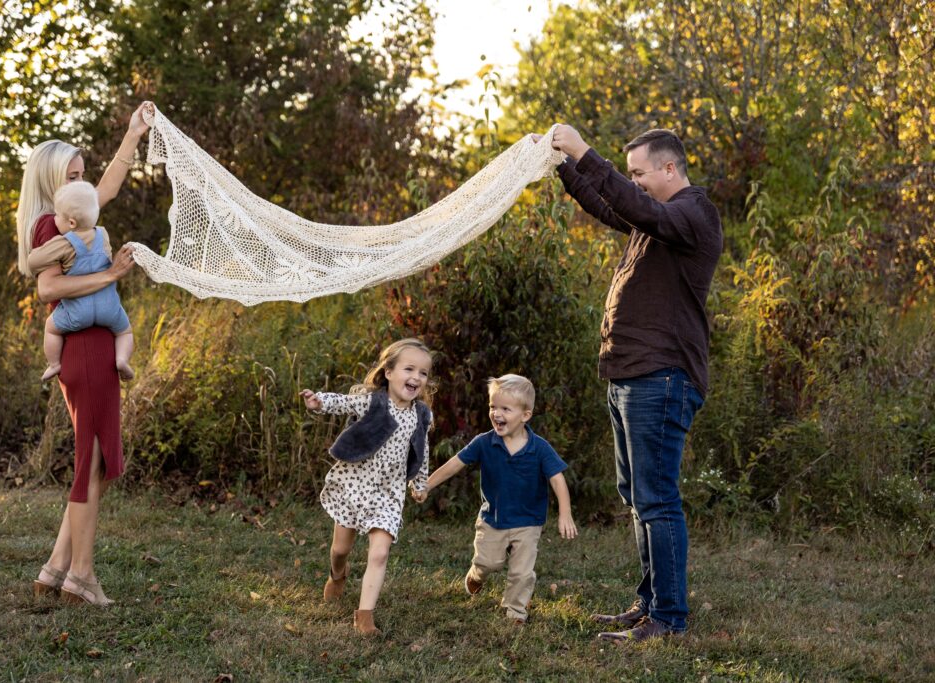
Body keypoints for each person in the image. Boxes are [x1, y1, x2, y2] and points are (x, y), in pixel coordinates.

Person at [537, 125, 722, 641]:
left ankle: (668, 619)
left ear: (670, 168)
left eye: (640, 172)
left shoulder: (693, 213)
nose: (634, 181)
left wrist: (585, 151)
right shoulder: (655, 221)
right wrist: (563, 166)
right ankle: (649, 605)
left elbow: (635, 205)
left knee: (656, 499)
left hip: (662, 377)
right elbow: (610, 206)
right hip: (630, 375)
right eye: (631, 174)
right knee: (638, 497)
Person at [17, 101, 154, 607]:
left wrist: (133, 134)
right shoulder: (50, 227)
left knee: (93, 462)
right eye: (73, 177)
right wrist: (111, 276)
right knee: (89, 463)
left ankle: (56, 569)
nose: (84, 183)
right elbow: (48, 289)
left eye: (82, 174)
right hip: (85, 349)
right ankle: (82, 574)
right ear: (53, 183)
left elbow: (109, 187)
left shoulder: (75, 216)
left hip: (91, 345)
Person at [299, 338, 433, 637]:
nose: (416, 377)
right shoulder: (372, 401)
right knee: (340, 549)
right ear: (389, 372)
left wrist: (420, 482)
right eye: (409, 369)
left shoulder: (422, 414)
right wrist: (319, 402)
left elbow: (422, 449)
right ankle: (338, 573)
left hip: (388, 493)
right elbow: (342, 402)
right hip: (354, 484)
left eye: (423, 373)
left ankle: (364, 616)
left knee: (380, 553)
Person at [421, 374, 577, 624]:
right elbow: (455, 464)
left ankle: (515, 611)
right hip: (493, 518)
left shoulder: (539, 448)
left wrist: (565, 514)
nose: (496, 413)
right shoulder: (484, 443)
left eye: (506, 409)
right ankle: (476, 574)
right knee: (489, 562)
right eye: (493, 406)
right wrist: (427, 484)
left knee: (522, 572)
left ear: (525, 415)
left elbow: (558, 480)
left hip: (528, 521)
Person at [27, 181, 135, 383]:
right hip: (108, 307)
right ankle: (122, 360)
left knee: (51, 328)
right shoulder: (103, 235)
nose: (54, 220)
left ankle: (53, 364)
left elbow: (34, 261)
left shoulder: (64, 243)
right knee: (125, 331)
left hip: (78, 312)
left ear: (71, 223)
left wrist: (38, 255)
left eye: (57, 216)